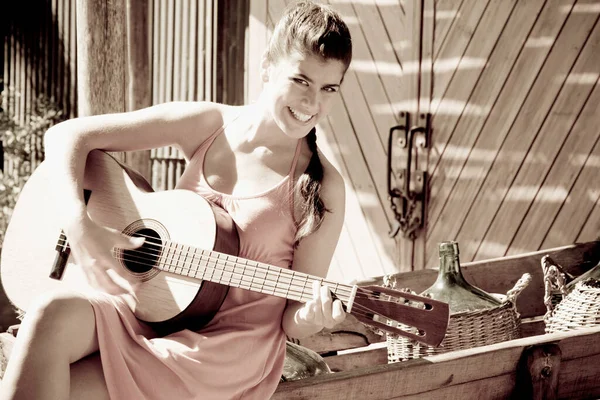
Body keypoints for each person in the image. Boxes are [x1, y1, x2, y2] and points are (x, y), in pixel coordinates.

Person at [0, 1, 352, 399]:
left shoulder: (321, 186)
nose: (312, 104)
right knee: (50, 316)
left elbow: (292, 317)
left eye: (329, 88)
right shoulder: (209, 124)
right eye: (301, 80)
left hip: (222, 351)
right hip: (153, 305)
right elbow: (66, 136)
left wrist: (313, 317)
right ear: (267, 67)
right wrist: (79, 226)